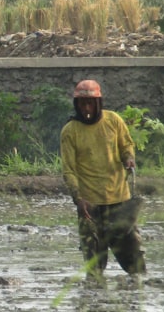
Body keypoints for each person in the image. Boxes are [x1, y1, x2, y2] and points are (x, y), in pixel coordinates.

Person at [59, 79, 145, 278]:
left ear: (98, 103)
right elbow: (69, 170)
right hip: (90, 204)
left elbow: (126, 145)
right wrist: (78, 199)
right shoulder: (70, 131)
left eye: (90, 103)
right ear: (76, 105)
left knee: (135, 261)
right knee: (94, 266)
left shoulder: (113, 121)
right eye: (82, 104)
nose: (86, 108)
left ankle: (135, 302)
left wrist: (128, 158)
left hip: (119, 200)